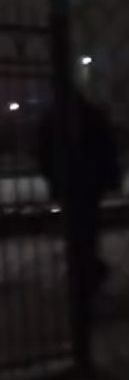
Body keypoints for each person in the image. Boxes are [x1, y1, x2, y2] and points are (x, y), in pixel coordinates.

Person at [36, 87, 121, 311]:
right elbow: (108, 149)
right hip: (89, 186)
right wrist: (111, 179)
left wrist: (53, 178)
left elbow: (42, 153)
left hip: (71, 186)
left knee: (76, 237)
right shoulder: (92, 116)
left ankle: (85, 280)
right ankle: (88, 277)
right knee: (87, 235)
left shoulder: (53, 119)